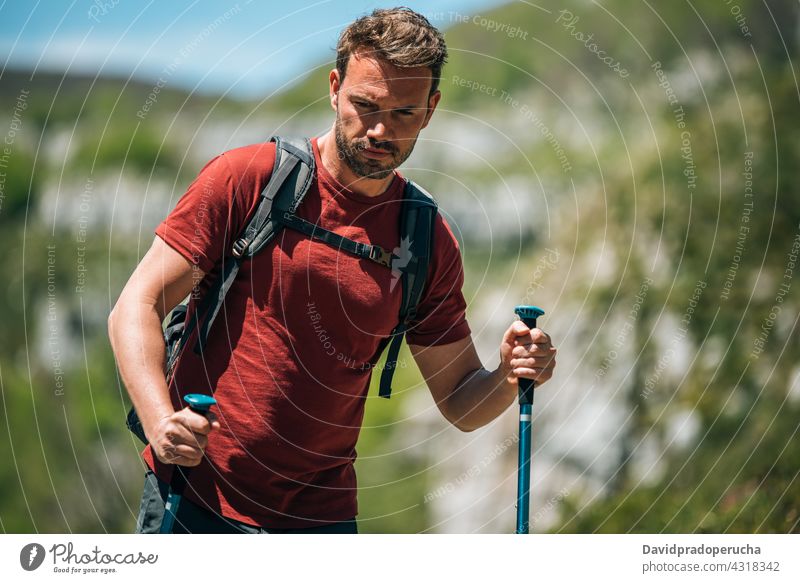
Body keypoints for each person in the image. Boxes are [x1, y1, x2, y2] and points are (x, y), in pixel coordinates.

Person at [108, 7, 557, 534]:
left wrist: (508, 376)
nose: (379, 129)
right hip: (194, 497)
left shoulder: (426, 240)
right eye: (364, 105)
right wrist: (161, 423)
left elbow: (460, 401)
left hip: (323, 522)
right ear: (334, 87)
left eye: (404, 113)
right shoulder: (248, 179)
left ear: (432, 109)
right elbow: (135, 306)